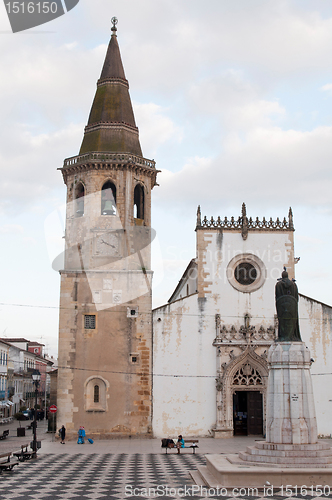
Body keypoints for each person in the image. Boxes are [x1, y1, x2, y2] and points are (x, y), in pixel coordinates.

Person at [275, 268, 302, 342]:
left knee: (282, 323)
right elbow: (296, 298)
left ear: (282, 276)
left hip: (282, 307)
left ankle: (282, 337)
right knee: (293, 323)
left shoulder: (278, 284)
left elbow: (277, 298)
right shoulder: (293, 285)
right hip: (292, 308)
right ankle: (293, 335)